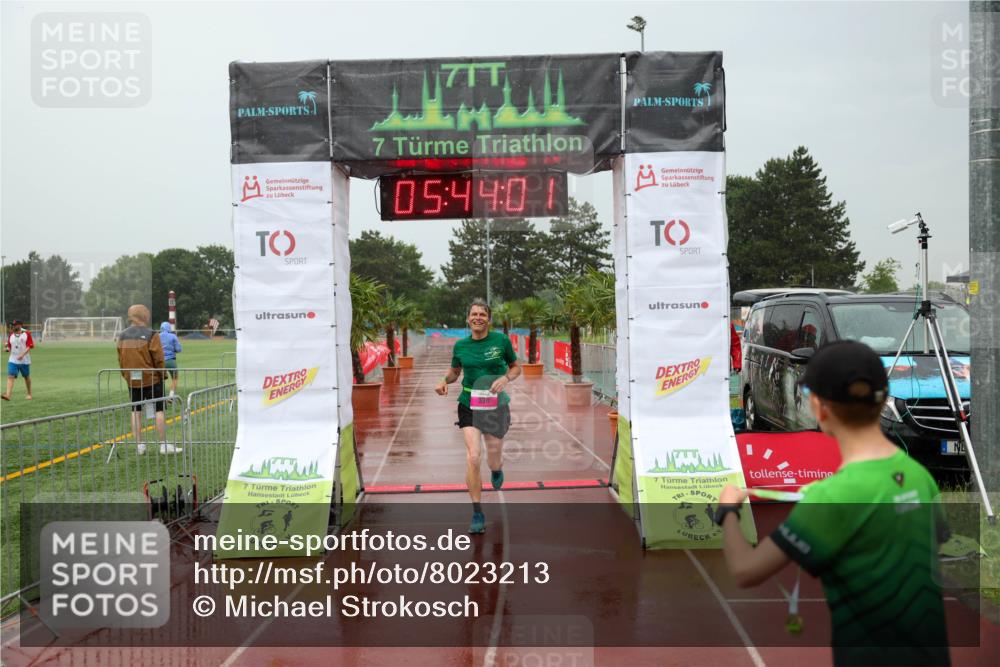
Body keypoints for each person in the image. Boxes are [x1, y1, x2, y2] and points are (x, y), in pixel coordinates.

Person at [715, 340, 950, 666]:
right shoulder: (918, 476)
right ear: (881, 403)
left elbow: (745, 571)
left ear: (819, 407)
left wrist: (728, 510)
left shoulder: (830, 497)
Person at [435, 299, 520, 534]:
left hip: (494, 405)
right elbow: (455, 371)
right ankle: (477, 512)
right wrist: (444, 381)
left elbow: (516, 367)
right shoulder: (461, 346)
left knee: (493, 457)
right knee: (473, 456)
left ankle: (496, 469)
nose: (478, 317)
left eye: (482, 314)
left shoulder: (501, 341)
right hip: (469, 403)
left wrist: (506, 378)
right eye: (474, 314)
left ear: (488, 319)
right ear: (468, 318)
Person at [116, 305, 181, 455]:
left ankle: (140, 446)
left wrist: (126, 375)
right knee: (159, 410)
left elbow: (121, 359)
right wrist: (162, 375)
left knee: (135, 411)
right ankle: (163, 445)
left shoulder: (122, 335)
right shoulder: (152, 334)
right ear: (144, 316)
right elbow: (159, 359)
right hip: (152, 378)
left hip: (132, 378)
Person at [2, 320, 34, 401]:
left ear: (20, 325)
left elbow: (30, 346)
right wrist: (6, 349)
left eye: (15, 325)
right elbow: (9, 346)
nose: (13, 326)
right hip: (13, 360)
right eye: (13, 325)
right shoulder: (11, 335)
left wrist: (22, 354)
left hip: (24, 360)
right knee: (10, 376)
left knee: (26, 377)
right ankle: (8, 395)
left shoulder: (27, 333)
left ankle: (29, 394)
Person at [159, 321, 183, 397]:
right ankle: (171, 395)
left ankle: (160, 397)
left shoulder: (157, 336)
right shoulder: (173, 336)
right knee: (175, 378)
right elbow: (178, 349)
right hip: (171, 360)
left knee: (160, 380)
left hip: (160, 361)